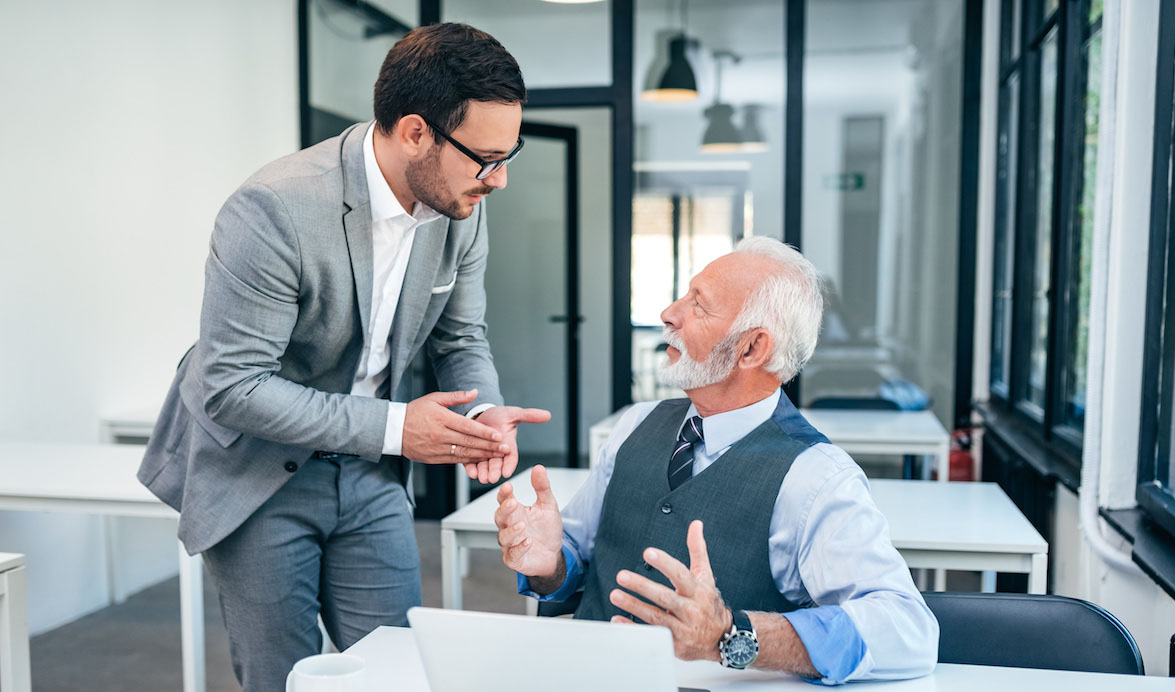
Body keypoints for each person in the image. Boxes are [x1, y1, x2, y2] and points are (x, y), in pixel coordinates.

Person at [138, 23, 550, 691]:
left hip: (368, 474)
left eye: (510, 154)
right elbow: (230, 385)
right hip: (257, 468)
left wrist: (484, 413)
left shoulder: (460, 205)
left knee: (397, 671)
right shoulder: (274, 209)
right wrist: (398, 427)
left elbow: (461, 338)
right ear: (415, 132)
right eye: (485, 157)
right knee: (286, 678)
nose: (498, 181)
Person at [495, 237, 938, 683]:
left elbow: (909, 630)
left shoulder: (817, 477)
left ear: (751, 349)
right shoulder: (635, 424)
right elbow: (574, 567)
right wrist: (550, 565)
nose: (669, 312)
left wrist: (731, 635)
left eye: (699, 305)